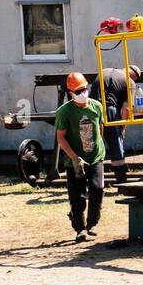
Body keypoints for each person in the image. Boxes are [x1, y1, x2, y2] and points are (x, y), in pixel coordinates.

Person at [55, 72, 107, 242]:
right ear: (71, 93)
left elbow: (100, 128)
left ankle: (93, 223)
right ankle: (80, 229)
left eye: (84, 89)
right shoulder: (64, 112)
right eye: (78, 91)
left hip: (95, 156)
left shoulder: (97, 106)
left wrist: (99, 149)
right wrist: (75, 158)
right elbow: (61, 137)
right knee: (77, 196)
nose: (82, 93)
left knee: (97, 188)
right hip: (74, 160)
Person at [91, 65, 140, 183]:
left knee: (91, 146)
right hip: (109, 111)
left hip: (90, 109)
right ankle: (121, 180)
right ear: (134, 76)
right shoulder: (130, 82)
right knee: (116, 145)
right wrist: (122, 128)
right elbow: (126, 109)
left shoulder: (104, 71)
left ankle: (92, 182)